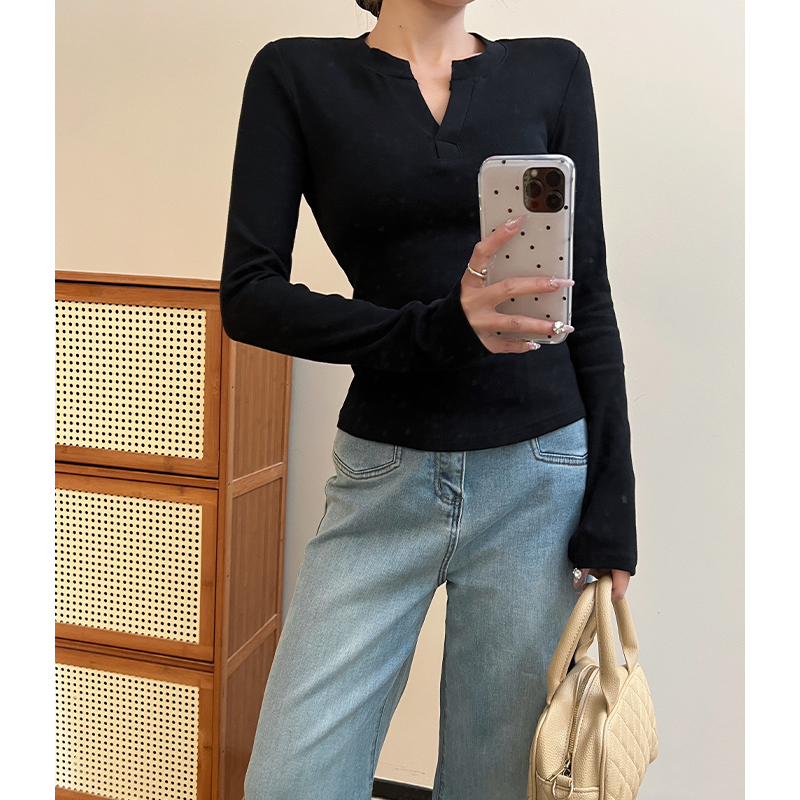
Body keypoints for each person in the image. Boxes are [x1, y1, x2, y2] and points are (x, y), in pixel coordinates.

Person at [219, 1, 637, 798]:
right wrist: (441, 328)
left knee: (493, 782)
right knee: (290, 780)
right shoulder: (297, 74)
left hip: (539, 481)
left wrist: (613, 505)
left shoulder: (553, 69)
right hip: (382, 477)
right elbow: (249, 296)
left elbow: (589, 292)